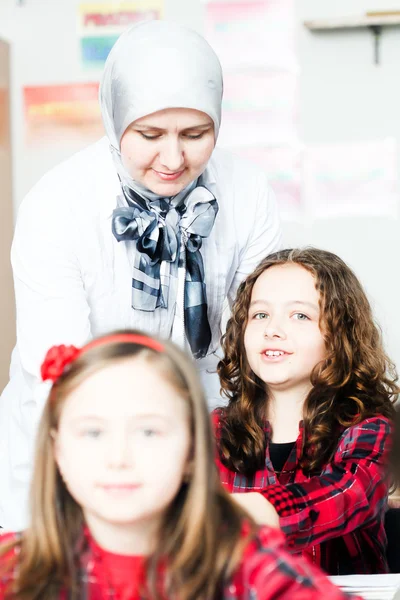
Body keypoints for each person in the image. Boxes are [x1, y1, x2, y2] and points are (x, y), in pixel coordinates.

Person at [0, 20, 282, 530]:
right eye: (150, 135)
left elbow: (258, 336)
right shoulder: (58, 205)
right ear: (114, 120)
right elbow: (60, 369)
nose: (173, 159)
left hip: (206, 442)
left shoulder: (248, 192)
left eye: (196, 135)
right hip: (80, 441)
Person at [0, 331, 361, 600]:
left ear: (191, 452)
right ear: (57, 451)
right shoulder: (13, 568)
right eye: (93, 432)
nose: (119, 458)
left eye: (149, 431)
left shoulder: (246, 564)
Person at [213, 247, 397, 575]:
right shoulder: (211, 432)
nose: (273, 329)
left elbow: (346, 494)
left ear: (340, 335)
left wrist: (226, 513)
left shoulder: (372, 430)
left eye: (300, 316)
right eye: (260, 315)